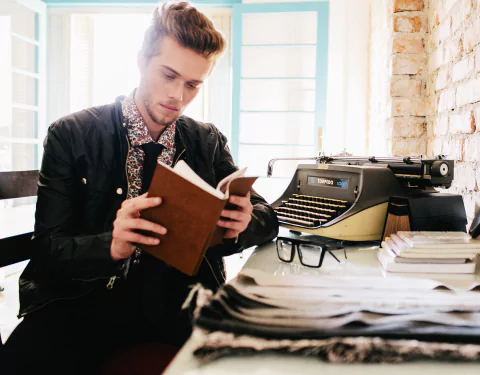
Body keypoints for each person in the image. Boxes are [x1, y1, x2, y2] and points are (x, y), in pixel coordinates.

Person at [1, 2, 278, 374]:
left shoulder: (207, 140)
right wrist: (110, 245)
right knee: (22, 360)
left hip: (180, 303)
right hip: (84, 299)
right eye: (168, 75)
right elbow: (50, 249)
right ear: (141, 61)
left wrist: (244, 223)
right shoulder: (71, 134)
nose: (178, 96)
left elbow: (268, 218)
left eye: (193, 84)